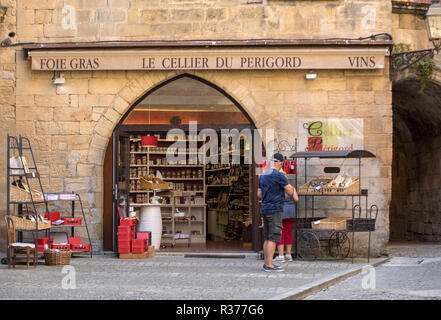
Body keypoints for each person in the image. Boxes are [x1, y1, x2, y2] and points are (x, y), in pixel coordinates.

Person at [258, 153, 299, 272]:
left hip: (265, 208)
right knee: (273, 237)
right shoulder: (279, 175)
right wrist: (292, 189)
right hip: (275, 208)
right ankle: (270, 265)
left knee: (267, 237)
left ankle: (266, 263)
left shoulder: (263, 175)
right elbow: (290, 191)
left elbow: (259, 194)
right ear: (280, 163)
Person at [273, 167, 298, 263]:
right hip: (291, 211)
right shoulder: (291, 187)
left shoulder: (278, 187)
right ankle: (288, 254)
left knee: (280, 233)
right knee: (288, 232)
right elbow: (296, 199)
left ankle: (280, 255)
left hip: (281, 211)